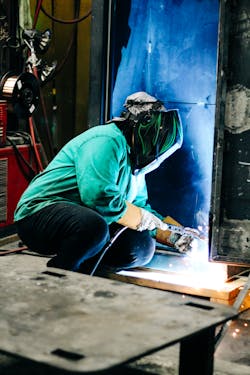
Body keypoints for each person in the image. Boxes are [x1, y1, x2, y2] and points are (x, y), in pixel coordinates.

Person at [14, 91, 194, 275]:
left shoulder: (135, 164)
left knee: (141, 246)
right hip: (39, 215)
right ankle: (59, 275)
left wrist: (174, 234)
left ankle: (85, 272)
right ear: (143, 125)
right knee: (94, 228)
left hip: (88, 218)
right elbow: (98, 198)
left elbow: (139, 207)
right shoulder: (106, 140)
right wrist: (140, 217)